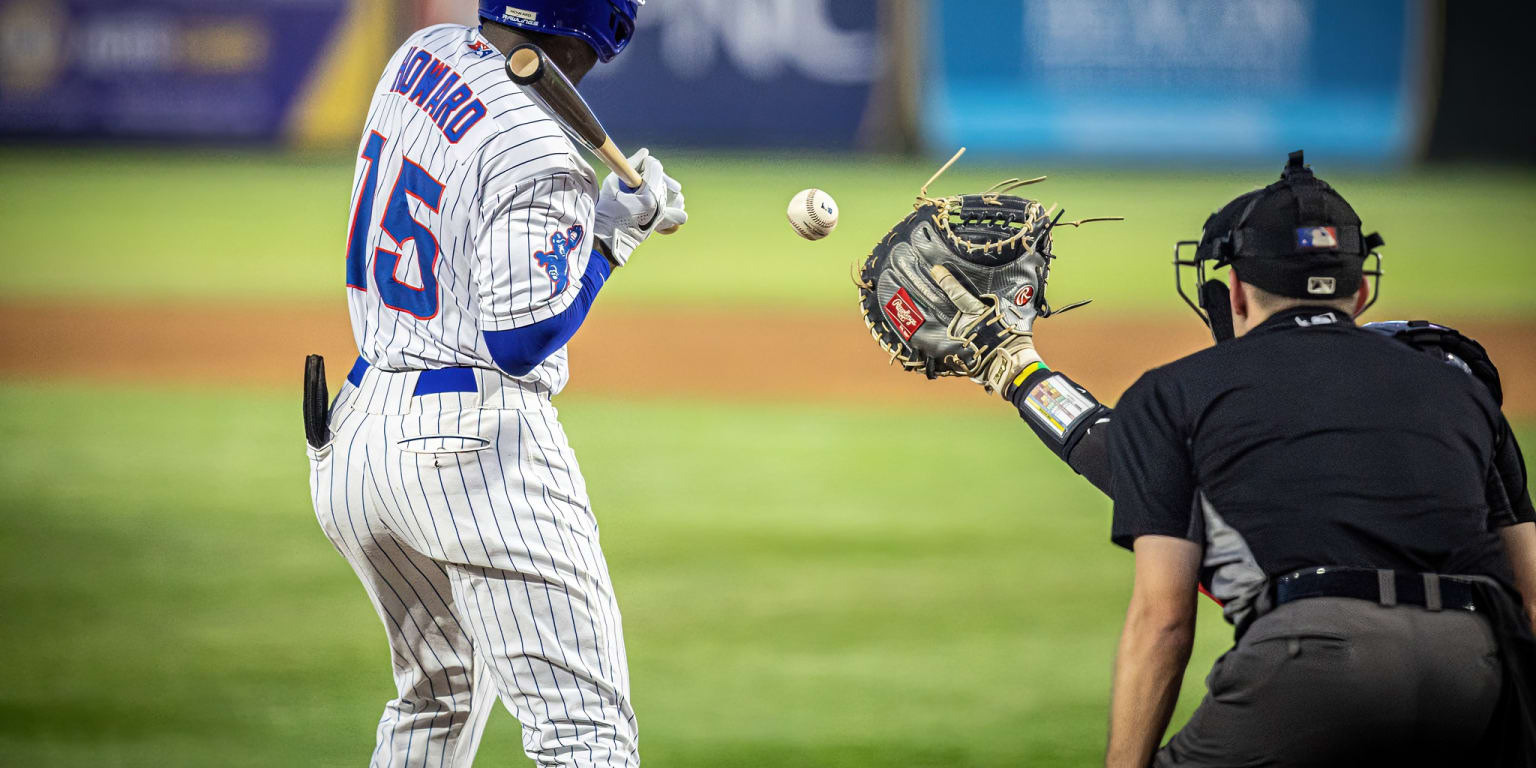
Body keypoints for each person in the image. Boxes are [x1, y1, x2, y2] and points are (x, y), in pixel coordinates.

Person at [947, 151, 1536, 766]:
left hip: (1309, 663)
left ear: (1231, 294)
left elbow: (1163, 622)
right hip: (1477, 666)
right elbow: (1530, 594)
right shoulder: (1458, 383)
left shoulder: (1179, 390)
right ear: (1360, 291)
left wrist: (1016, 369)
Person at [303, 2, 685, 765]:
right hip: (470, 450)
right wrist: (612, 236)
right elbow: (520, 340)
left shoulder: (421, 53)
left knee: (435, 701)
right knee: (586, 735)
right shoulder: (543, 152)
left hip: (353, 436)